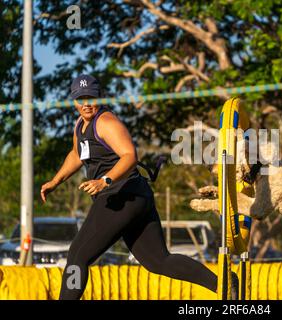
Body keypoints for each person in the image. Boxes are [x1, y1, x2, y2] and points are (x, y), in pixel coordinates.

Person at [40, 75, 219, 300]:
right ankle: (223, 285)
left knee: (78, 255)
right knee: (158, 261)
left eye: (91, 97)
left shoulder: (105, 122)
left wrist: (104, 180)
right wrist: (55, 182)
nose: (86, 103)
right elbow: (77, 154)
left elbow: (129, 156)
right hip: (136, 198)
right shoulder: (80, 125)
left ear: (100, 96)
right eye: (80, 98)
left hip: (121, 196)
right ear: (73, 101)